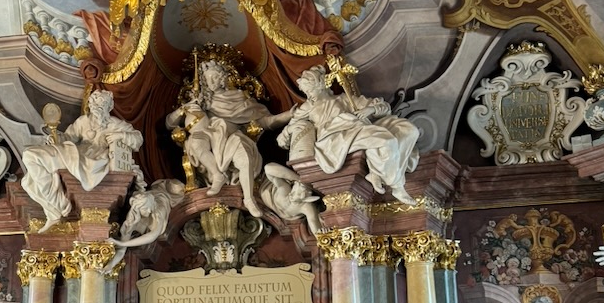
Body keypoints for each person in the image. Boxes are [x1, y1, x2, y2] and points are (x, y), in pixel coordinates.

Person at [166, 54, 291, 219]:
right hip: (207, 138)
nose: (212, 82)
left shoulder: (239, 98)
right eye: (208, 79)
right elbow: (169, 124)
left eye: (215, 77)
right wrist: (183, 110)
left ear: (223, 78)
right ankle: (217, 174)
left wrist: (288, 115)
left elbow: (265, 121)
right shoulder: (200, 101)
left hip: (232, 137)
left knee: (244, 153)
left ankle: (249, 199)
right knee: (195, 143)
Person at [280, 66, 420, 204]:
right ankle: (396, 185)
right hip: (334, 137)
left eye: (310, 90)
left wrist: (370, 109)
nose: (309, 95)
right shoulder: (308, 107)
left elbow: (384, 107)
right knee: (385, 140)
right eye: (305, 91)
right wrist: (286, 133)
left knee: (408, 130)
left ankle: (377, 172)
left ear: (320, 85)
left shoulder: (344, 98)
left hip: (357, 127)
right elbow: (290, 129)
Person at [21, 89, 143, 230]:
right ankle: (56, 206)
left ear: (109, 106)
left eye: (102, 103)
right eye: (94, 103)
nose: (97, 106)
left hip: (94, 160)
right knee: (29, 162)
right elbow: (68, 137)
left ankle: (57, 207)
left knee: (31, 159)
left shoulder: (115, 124)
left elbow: (137, 139)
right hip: (73, 154)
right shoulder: (83, 121)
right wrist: (57, 138)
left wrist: (121, 135)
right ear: (90, 105)